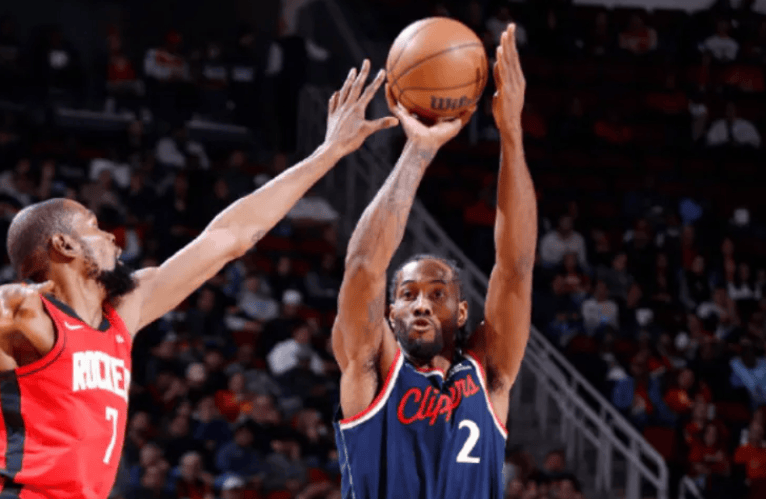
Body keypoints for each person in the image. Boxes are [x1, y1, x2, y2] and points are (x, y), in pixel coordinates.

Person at [0, 59, 397, 498]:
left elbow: (230, 236)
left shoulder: (123, 312)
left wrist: (329, 152)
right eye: (93, 226)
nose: (112, 236)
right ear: (64, 245)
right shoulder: (25, 312)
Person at [331, 25, 535, 498]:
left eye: (437, 294)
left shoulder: (488, 374)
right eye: (408, 295)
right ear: (389, 314)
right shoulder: (372, 369)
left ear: (462, 313)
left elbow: (516, 266)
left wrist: (511, 133)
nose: (421, 304)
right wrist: (419, 150)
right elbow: (363, 266)